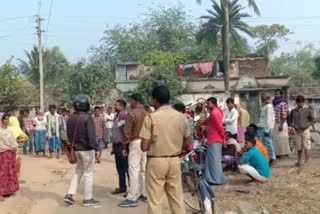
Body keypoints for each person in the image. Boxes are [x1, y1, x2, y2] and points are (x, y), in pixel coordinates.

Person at [140, 85, 191, 214]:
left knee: (155, 200)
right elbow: (188, 142)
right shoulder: (181, 117)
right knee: (176, 198)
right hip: (174, 159)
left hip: (156, 161)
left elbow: (144, 147)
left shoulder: (151, 117)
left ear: (155, 99)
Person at [64, 94, 100, 207]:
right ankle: (87, 198)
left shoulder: (70, 118)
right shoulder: (88, 117)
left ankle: (70, 194)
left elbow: (68, 135)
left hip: (76, 150)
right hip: (87, 150)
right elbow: (91, 136)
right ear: (87, 105)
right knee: (88, 174)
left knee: (78, 172)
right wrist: (97, 148)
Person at [119, 94, 147, 207]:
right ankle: (143, 193)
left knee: (133, 170)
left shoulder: (131, 114)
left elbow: (127, 133)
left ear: (135, 101)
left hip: (135, 142)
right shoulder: (147, 113)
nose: (130, 103)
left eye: (131, 101)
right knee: (143, 170)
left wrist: (124, 147)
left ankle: (132, 197)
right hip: (145, 142)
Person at [199, 97, 225, 185]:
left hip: (215, 139)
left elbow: (220, 127)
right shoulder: (215, 112)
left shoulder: (215, 113)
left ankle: (217, 179)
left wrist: (223, 138)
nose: (207, 105)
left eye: (208, 104)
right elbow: (208, 121)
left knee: (214, 160)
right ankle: (211, 178)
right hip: (213, 139)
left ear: (214, 104)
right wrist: (201, 124)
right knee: (210, 160)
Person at [289, 95, 314, 167]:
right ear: (296, 103)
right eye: (299, 102)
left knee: (307, 146)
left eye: (302, 102)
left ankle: (306, 162)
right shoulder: (293, 111)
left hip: (305, 130)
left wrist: (307, 126)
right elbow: (290, 121)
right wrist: (294, 126)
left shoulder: (307, 110)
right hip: (297, 131)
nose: (300, 104)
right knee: (299, 147)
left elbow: (312, 120)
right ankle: (299, 161)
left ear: (304, 102)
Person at [0, 113, 19, 201]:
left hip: (11, 153)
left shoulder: (10, 130)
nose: (7, 121)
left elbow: (13, 141)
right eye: (5, 119)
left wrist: (14, 147)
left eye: (8, 119)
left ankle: (10, 189)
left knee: (11, 171)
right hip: (3, 154)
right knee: (3, 172)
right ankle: (3, 191)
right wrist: (8, 148)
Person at [111, 99, 129, 195]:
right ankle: (122, 187)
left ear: (122, 107)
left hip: (122, 146)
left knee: (126, 168)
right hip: (117, 145)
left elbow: (124, 132)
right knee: (119, 168)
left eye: (117, 105)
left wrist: (124, 147)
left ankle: (132, 190)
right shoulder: (117, 116)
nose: (115, 106)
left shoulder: (123, 116)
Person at [257, 95, 276, 164]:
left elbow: (269, 118)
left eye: (264, 98)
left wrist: (267, 130)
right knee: (263, 143)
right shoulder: (264, 106)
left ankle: (273, 158)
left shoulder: (269, 106)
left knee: (268, 143)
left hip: (266, 127)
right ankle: (267, 158)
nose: (263, 100)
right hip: (262, 126)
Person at [272, 89, 290, 158]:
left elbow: (284, 114)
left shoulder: (283, 103)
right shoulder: (274, 103)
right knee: (277, 139)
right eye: (275, 94)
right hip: (276, 123)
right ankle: (279, 154)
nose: (275, 95)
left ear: (281, 95)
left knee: (283, 139)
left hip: (281, 123)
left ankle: (284, 154)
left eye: (277, 94)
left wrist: (281, 125)